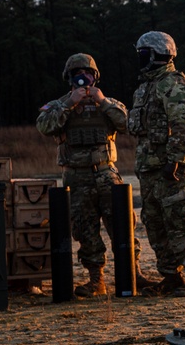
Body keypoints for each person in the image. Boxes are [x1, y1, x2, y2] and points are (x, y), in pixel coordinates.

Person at [36, 53, 158, 297]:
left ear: (96, 77)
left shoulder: (108, 103)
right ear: (69, 78)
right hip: (76, 177)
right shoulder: (59, 105)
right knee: (85, 229)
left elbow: (129, 124)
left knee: (122, 225)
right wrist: (70, 103)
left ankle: (134, 273)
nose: (83, 78)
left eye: (88, 73)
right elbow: (44, 126)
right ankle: (96, 280)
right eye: (77, 74)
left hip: (105, 173)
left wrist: (103, 102)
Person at [128, 31, 185, 298]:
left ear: (155, 55)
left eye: (142, 54)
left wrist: (175, 161)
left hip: (173, 170)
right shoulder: (145, 88)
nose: (139, 59)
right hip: (150, 169)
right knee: (154, 222)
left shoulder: (173, 84)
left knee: (182, 221)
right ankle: (171, 276)